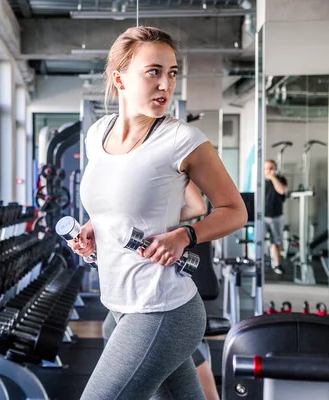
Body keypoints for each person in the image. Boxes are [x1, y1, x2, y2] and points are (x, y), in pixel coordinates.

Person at [67, 26, 247, 399]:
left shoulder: (183, 140)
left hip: (162, 308)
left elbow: (235, 211)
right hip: (119, 305)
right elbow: (113, 206)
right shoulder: (97, 134)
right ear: (120, 78)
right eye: (154, 72)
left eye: (172, 73)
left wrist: (185, 235)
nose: (166, 84)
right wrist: (92, 228)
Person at [102, 181, 220, 400]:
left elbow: (199, 208)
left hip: (156, 287)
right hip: (128, 289)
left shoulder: (161, 155)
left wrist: (166, 226)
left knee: (170, 348)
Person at [264, 159, 288, 274]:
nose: (270, 170)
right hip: (263, 216)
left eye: (272, 168)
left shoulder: (281, 180)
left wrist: (273, 178)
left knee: (276, 241)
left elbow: (282, 191)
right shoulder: (261, 182)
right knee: (258, 240)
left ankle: (277, 264)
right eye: (268, 168)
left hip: (276, 216)